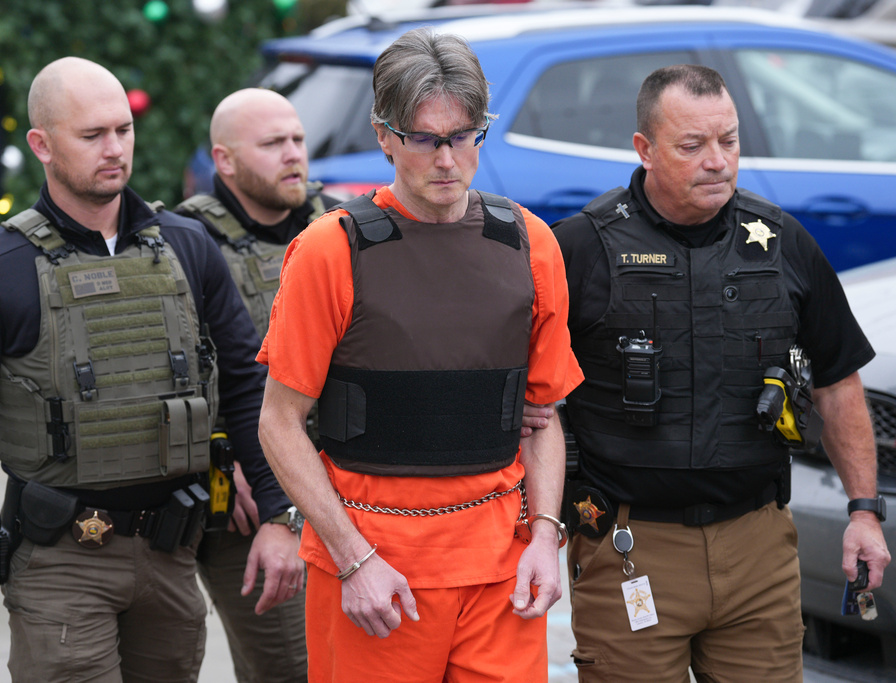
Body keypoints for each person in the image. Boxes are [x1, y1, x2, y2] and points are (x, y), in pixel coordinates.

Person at [0, 56, 303, 682]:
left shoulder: (187, 246)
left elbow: (247, 382)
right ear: (41, 144)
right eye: (92, 135)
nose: (115, 148)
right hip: (60, 561)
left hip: (171, 552)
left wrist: (281, 515)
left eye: (123, 130)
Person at [256, 27, 584, 682]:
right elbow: (279, 421)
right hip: (376, 570)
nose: (447, 158)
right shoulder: (331, 250)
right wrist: (353, 559)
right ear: (385, 136)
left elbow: (545, 418)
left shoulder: (530, 244)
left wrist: (546, 536)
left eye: (464, 136)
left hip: (500, 571)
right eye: (426, 138)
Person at [550, 64, 891, 682]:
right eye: (692, 146)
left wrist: (863, 511)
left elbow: (838, 384)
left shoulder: (783, 241)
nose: (718, 161)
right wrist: (537, 528)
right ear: (644, 150)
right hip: (630, 547)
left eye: (729, 140)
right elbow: (532, 403)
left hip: (759, 546)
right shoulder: (579, 249)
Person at [174, 88, 341, 683]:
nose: (293, 154)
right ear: (225, 161)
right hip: (250, 495)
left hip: (354, 481)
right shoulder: (183, 245)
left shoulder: (348, 225)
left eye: (297, 140)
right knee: (289, 666)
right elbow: (170, 376)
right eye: (272, 144)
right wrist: (227, 459)